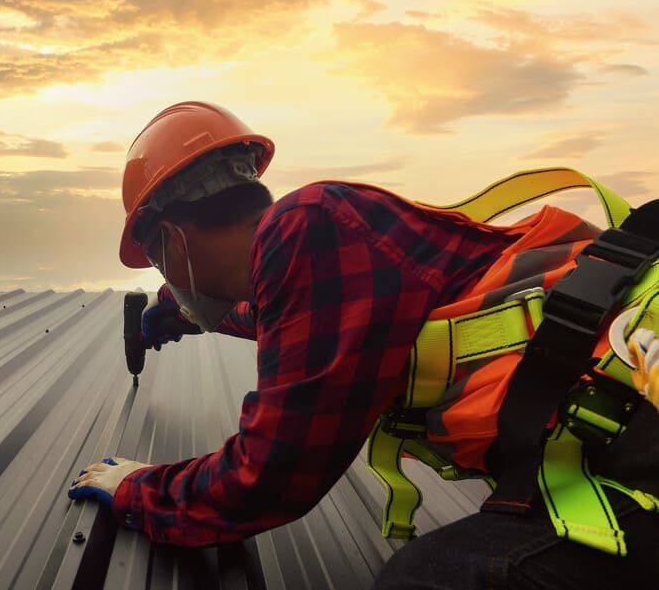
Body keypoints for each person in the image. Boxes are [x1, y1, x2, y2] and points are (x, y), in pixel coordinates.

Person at [66, 101, 659, 588]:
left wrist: (135, 490)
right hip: (619, 431)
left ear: (171, 239)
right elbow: (268, 315)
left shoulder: (307, 228)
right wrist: (164, 319)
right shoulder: (324, 248)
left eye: (159, 266)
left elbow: (266, 479)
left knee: (423, 582)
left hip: (641, 454)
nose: (166, 280)